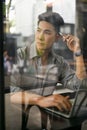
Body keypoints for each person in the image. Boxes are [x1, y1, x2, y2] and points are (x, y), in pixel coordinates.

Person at [10, 12, 87, 113]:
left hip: (45, 119)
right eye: (38, 31)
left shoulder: (59, 62)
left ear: (57, 38)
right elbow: (10, 93)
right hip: (16, 118)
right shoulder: (20, 56)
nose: (40, 37)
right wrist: (40, 100)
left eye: (47, 32)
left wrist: (78, 52)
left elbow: (80, 86)